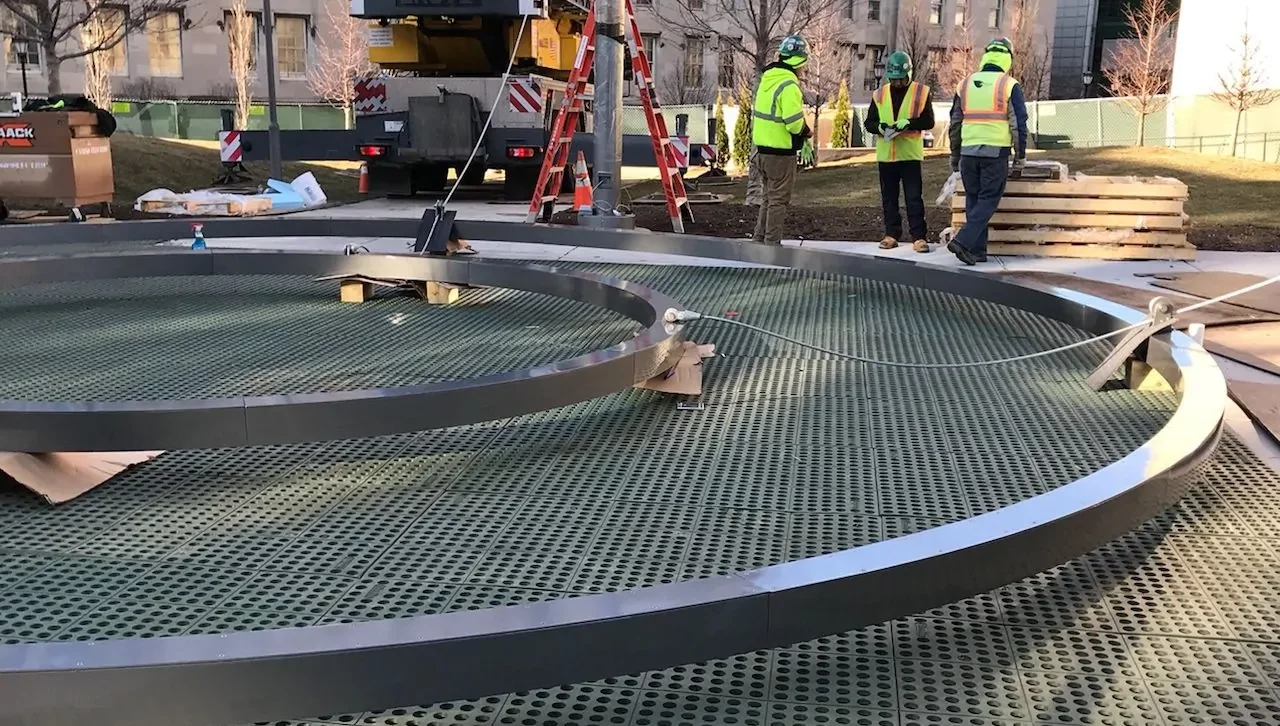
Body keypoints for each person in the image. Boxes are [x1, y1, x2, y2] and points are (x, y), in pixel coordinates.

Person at [946, 37, 1029, 265]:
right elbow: (1019, 124)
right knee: (989, 199)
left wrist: (955, 157)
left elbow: (954, 124)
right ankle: (963, 241)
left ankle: (976, 251)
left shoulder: (964, 84)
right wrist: (1020, 156)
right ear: (1008, 58)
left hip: (968, 153)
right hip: (995, 154)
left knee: (974, 199)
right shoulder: (1009, 85)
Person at [864, 50, 935, 254]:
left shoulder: (921, 92)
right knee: (889, 198)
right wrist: (880, 127)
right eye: (894, 79)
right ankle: (891, 234)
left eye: (901, 80)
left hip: (909, 155)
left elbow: (928, 121)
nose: (897, 83)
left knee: (913, 198)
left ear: (908, 75)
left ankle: (919, 237)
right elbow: (869, 122)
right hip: (887, 155)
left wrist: (909, 123)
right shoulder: (879, 94)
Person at [750, 35, 812, 245]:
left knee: (768, 198)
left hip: (762, 152)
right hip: (780, 154)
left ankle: (759, 240)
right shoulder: (789, 86)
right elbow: (794, 123)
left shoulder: (767, 80)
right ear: (800, 62)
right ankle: (771, 245)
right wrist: (807, 132)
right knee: (778, 201)